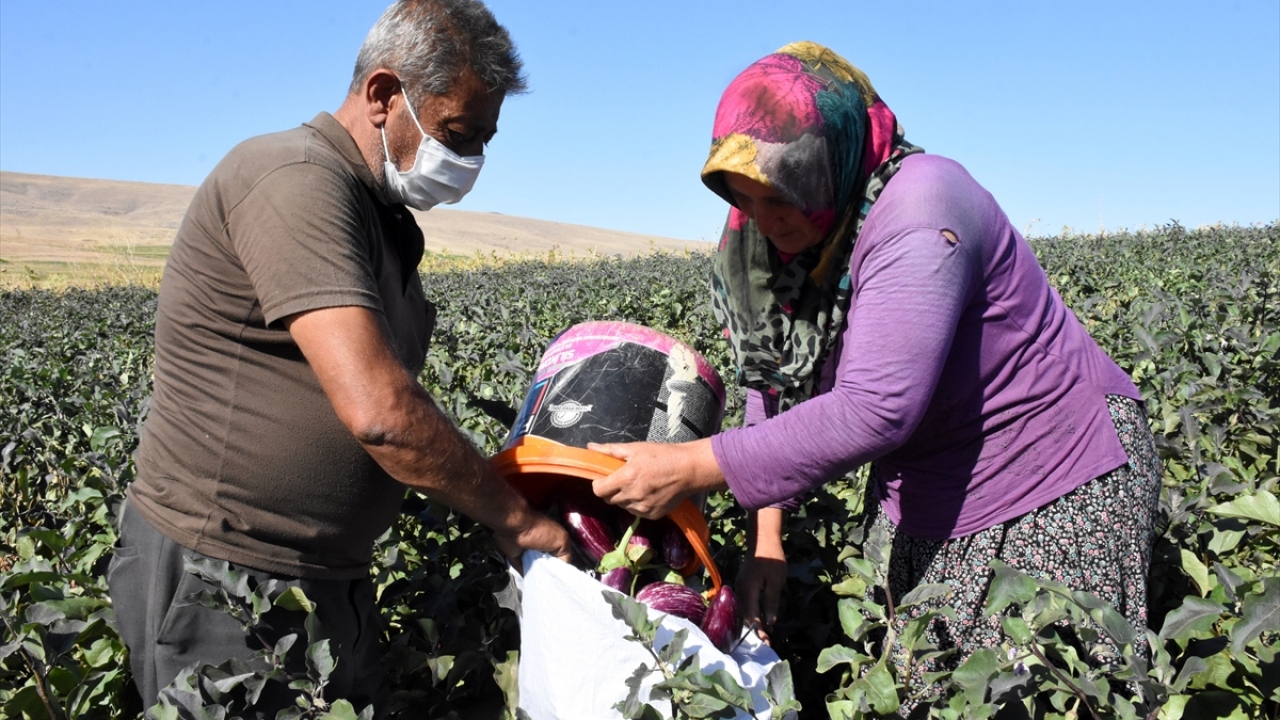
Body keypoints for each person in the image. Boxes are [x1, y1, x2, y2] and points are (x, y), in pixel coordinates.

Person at [590, 41, 1161, 691]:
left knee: (1044, 689)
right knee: (936, 686)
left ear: (832, 160)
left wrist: (692, 467)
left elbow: (877, 406)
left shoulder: (922, 207)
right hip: (928, 483)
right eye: (746, 198)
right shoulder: (763, 230)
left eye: (783, 196)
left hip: (1052, 475)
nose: (765, 219)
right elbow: (771, 381)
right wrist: (766, 538)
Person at [107, 0, 571, 713]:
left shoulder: (376, 212)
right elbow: (382, 412)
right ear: (384, 95)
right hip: (226, 584)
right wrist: (516, 519)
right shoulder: (293, 178)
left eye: (484, 139)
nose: (472, 160)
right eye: (457, 133)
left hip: (323, 583)